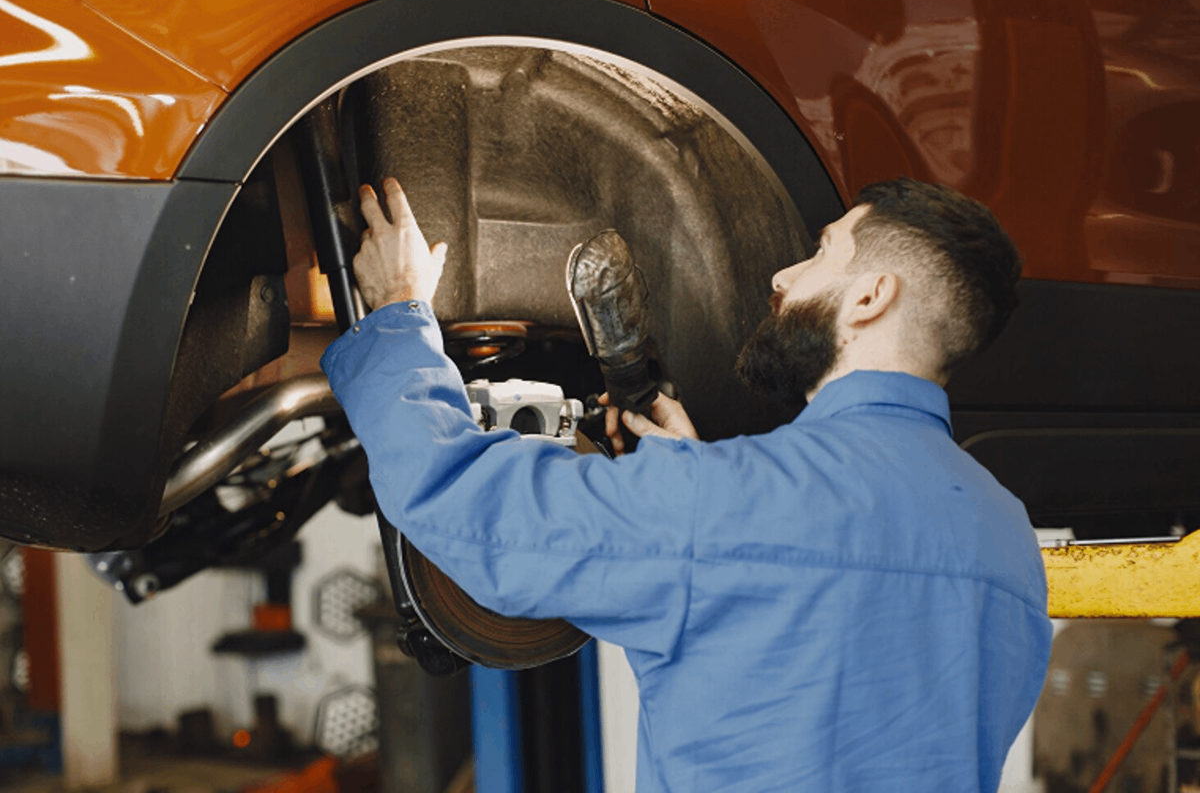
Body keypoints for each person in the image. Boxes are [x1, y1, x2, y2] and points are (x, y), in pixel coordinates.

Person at [321, 175, 1052, 792]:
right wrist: (694, 480)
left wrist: (396, 312)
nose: (783, 276)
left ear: (871, 298)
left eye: (823, 254)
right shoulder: (1008, 540)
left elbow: (468, 505)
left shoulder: (729, 507)